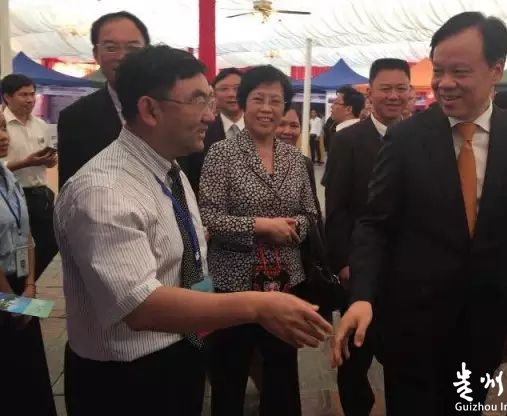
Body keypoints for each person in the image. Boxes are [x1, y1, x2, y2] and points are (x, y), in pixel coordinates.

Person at [55, 46, 331, 416]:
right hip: (127, 377)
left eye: (210, 101)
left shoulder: (170, 171)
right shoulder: (104, 191)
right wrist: (258, 304)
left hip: (180, 351)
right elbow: (140, 306)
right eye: (199, 101)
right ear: (150, 109)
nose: (211, 114)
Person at [332, 12, 507, 416]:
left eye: (460, 71)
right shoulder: (405, 138)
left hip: (485, 326)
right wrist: (362, 295)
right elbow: (375, 224)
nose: (444, 82)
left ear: (496, 70)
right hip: (410, 323)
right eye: (438, 70)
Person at [198, 65, 321, 416]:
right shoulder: (221, 153)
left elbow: (310, 214)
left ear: (285, 107)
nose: (267, 109)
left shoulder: (295, 158)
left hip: (286, 282)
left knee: (282, 370)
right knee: (229, 372)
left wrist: (293, 228)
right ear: (243, 103)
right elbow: (208, 217)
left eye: (275, 101)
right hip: (233, 283)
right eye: (258, 99)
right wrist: (261, 226)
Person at [324, 58, 410, 416]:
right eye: (385, 88)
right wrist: (344, 261)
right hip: (359, 267)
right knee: (355, 355)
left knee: (402, 353)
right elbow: (337, 207)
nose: (393, 95)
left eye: (400, 88)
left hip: (407, 270)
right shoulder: (348, 140)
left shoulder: (420, 138)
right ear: (370, 93)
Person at [0, 110, 56, 416]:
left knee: (30, 369)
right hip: (4, 290)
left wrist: (31, 285)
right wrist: (10, 298)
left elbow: (26, 233)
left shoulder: (7, 176)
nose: (3, 137)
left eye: (2, 128)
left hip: (20, 285)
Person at [57, 11, 149, 188]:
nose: (122, 57)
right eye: (111, 48)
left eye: (132, 48)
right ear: (96, 54)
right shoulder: (75, 118)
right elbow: (70, 192)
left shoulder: (173, 109)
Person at [1, 74, 58, 278]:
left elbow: (50, 159)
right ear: (7, 97)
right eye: (23, 95)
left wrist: (49, 160)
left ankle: (25, 284)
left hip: (39, 194)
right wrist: (26, 162)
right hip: (10, 197)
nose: (30, 100)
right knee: (13, 249)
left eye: (32, 94)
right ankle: (15, 288)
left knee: (52, 242)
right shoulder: (2, 124)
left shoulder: (41, 125)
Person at [179, 67, 243, 193]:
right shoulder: (199, 129)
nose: (231, 94)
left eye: (237, 88)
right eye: (224, 89)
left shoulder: (261, 131)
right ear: (213, 94)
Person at [276, 107, 321, 212]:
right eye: (281, 124)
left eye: (294, 126)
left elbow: (313, 208)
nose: (287, 131)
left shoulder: (304, 163)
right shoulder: (248, 161)